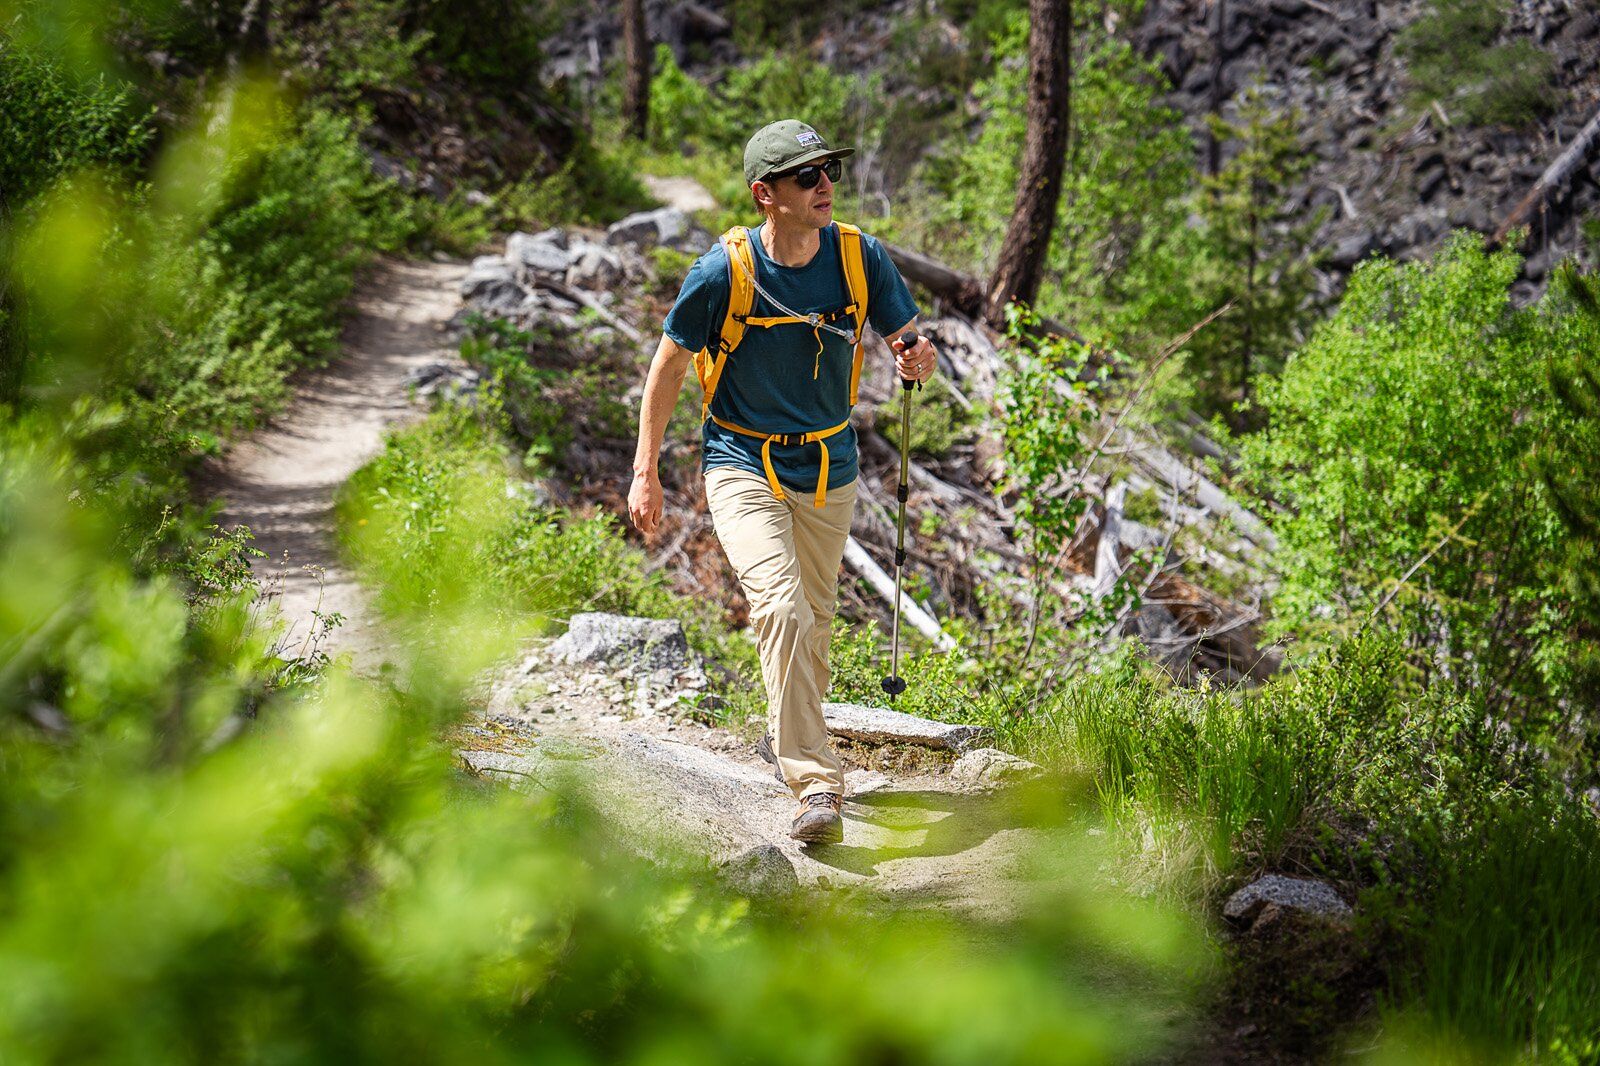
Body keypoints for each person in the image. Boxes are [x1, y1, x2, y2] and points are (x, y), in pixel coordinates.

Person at [628, 119, 938, 845]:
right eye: (808, 176)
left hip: (831, 465)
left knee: (815, 625)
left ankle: (791, 746)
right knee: (784, 609)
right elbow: (668, 369)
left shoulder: (861, 258)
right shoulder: (721, 273)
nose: (826, 184)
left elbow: (907, 340)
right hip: (742, 462)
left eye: (829, 170)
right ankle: (815, 783)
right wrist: (646, 471)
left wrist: (918, 358)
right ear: (766, 194)